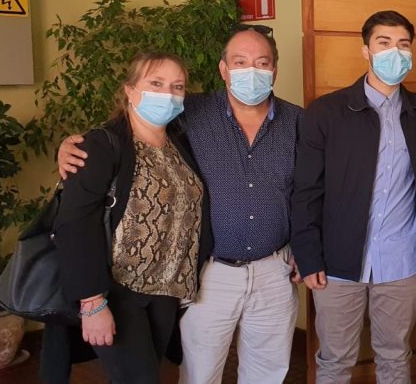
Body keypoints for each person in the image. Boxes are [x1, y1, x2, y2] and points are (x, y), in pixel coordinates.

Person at [57, 26, 303, 384]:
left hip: (272, 271)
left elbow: (311, 191)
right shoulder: (191, 113)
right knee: (199, 374)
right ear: (223, 69)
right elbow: (127, 132)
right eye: (240, 62)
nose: (251, 71)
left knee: (267, 373)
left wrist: (306, 248)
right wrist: (70, 147)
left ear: (274, 70)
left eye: (262, 63)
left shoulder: (299, 122)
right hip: (208, 275)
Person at [48, 52, 213, 384]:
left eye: (177, 86)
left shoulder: (181, 141)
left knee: (141, 374)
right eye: (156, 83)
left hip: (166, 290)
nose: (167, 94)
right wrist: (93, 303)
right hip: (117, 291)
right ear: (129, 90)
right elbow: (75, 225)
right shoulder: (101, 145)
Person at [291, 10, 416, 384]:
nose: (394, 52)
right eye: (384, 43)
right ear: (365, 50)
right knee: (335, 359)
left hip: (402, 260)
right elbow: (306, 190)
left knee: (395, 356)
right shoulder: (327, 112)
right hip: (337, 263)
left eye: (403, 44)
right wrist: (308, 255)